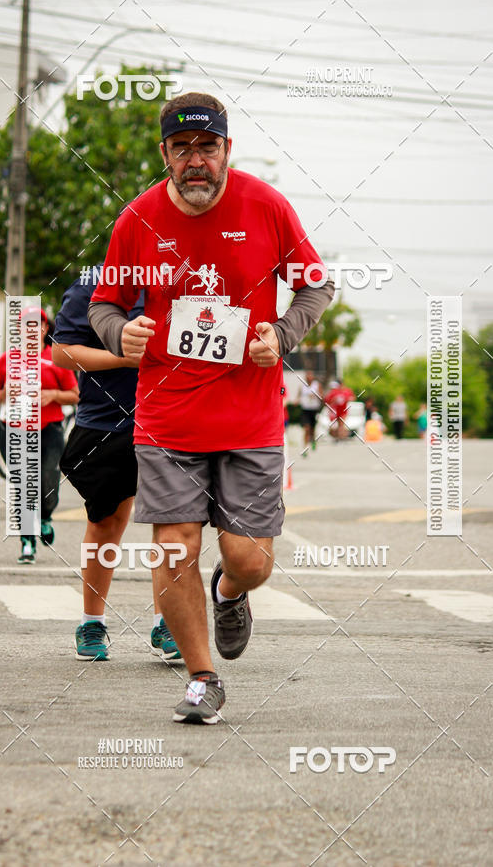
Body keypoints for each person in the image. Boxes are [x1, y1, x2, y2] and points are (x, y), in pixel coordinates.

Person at [88, 91, 334, 724]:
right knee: (174, 549)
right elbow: (104, 305)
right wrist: (122, 334)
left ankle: (229, 592)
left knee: (251, 560)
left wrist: (282, 333)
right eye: (182, 148)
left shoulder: (266, 206)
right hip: (167, 415)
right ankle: (202, 677)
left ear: (228, 149)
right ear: (164, 152)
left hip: (249, 416)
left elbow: (316, 284)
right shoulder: (137, 218)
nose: (196, 160)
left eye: (208, 146)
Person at [52, 273, 182, 663]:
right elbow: (62, 353)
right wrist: (123, 358)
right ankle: (92, 622)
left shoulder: (183, 277)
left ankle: (167, 623)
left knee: (173, 524)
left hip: (172, 418)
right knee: (107, 521)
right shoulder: (93, 282)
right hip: (107, 422)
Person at [0, 308, 79, 563]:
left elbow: (75, 394)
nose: (31, 330)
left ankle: (46, 516)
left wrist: (53, 395)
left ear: (45, 329)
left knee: (48, 481)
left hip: (49, 430)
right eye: (26, 325)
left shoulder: (56, 359)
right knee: (24, 484)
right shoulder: (6, 361)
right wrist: (5, 392)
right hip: (13, 430)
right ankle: (27, 541)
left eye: (37, 325)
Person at [299, 370, 323, 453]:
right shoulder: (302, 386)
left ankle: (313, 441)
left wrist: (315, 395)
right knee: (306, 428)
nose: (309, 378)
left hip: (314, 409)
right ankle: (305, 447)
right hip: (305, 409)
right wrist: (297, 401)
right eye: (307, 376)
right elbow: (299, 396)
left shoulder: (316, 385)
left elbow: (321, 396)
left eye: (310, 376)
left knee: (313, 429)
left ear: (313, 377)